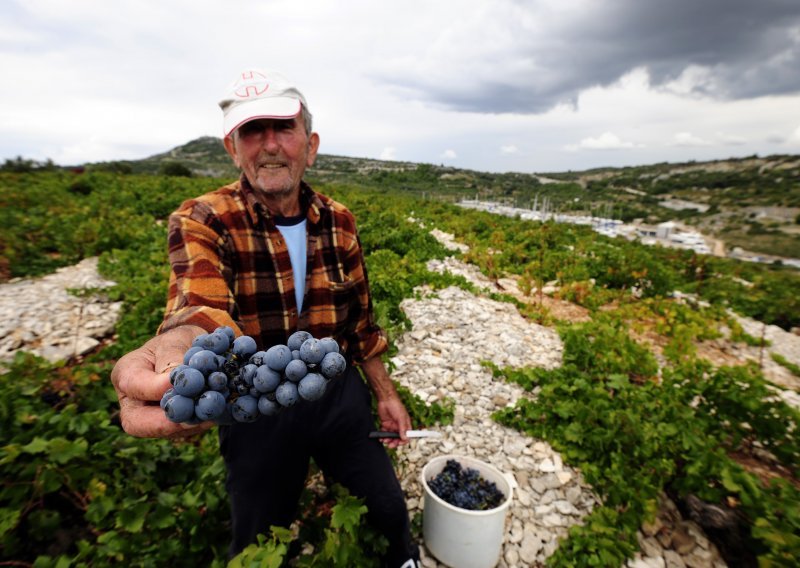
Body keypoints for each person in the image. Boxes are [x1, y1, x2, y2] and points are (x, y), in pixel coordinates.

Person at [110, 69, 420, 568]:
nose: (269, 145)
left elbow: (360, 323)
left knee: (386, 502)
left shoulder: (340, 221)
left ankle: (404, 557)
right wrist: (185, 342)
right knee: (256, 528)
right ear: (233, 147)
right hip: (253, 404)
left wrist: (385, 394)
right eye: (252, 131)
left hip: (337, 394)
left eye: (283, 128)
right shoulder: (203, 218)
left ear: (311, 144)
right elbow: (197, 301)